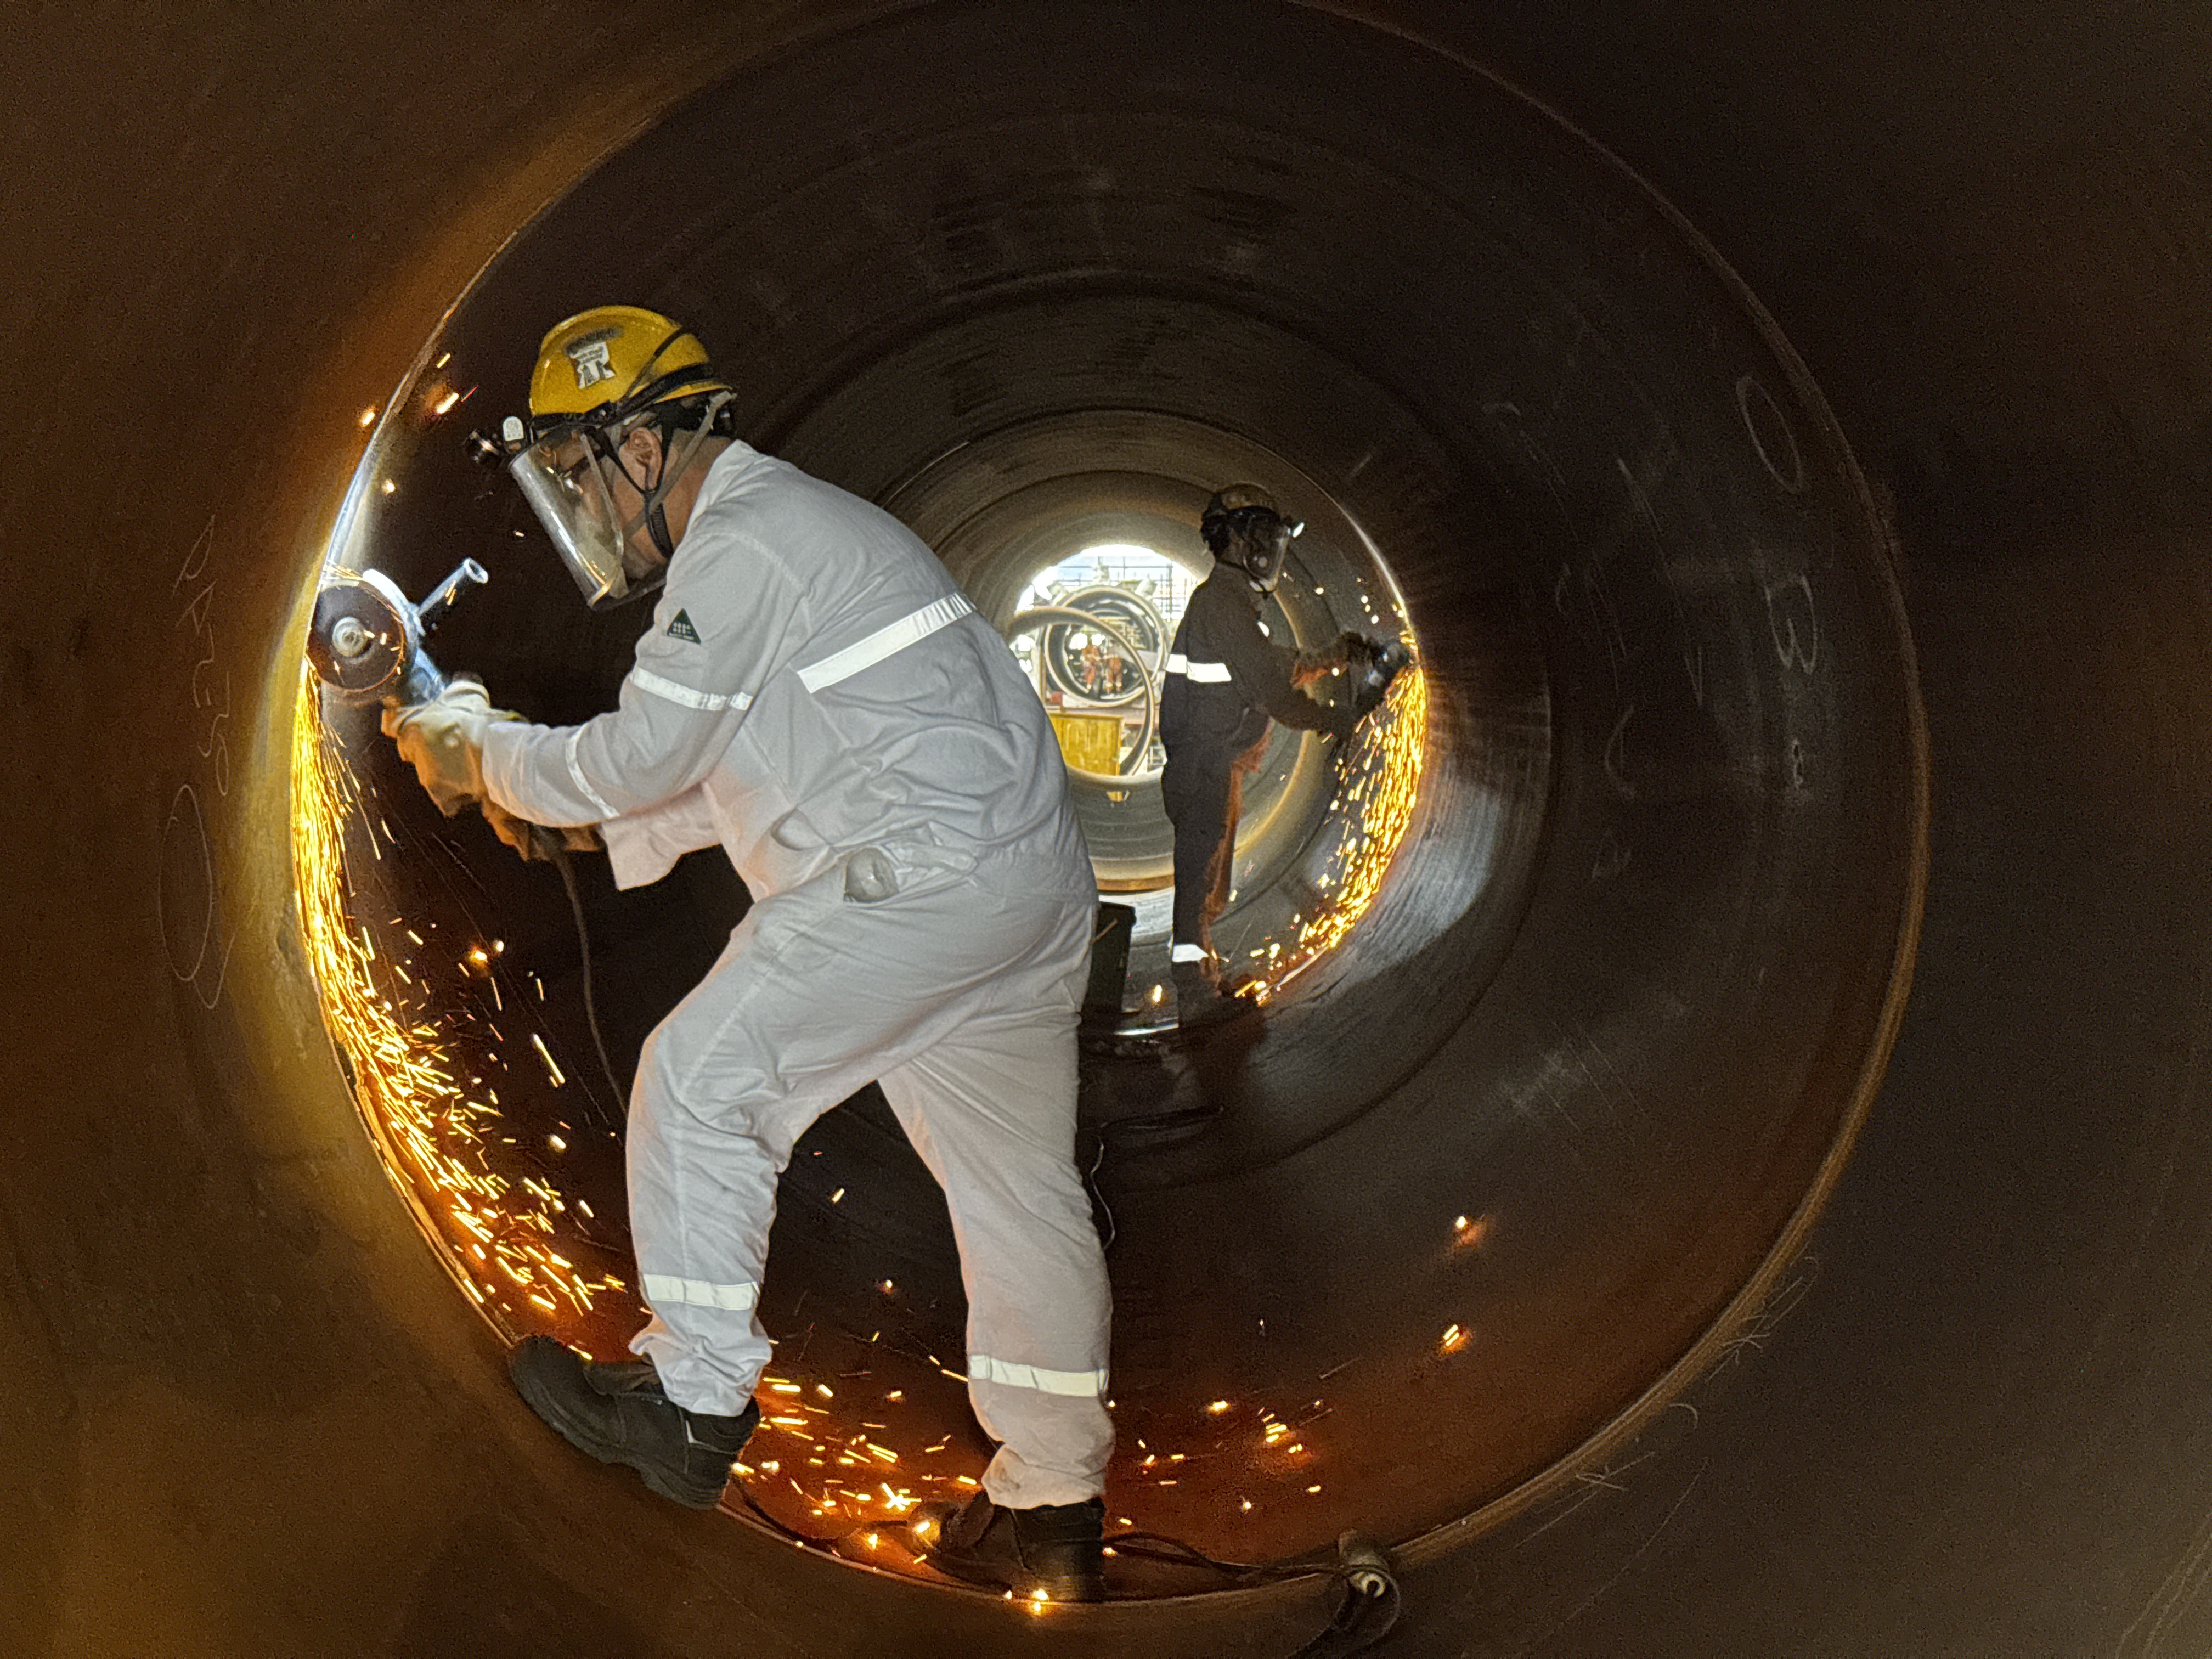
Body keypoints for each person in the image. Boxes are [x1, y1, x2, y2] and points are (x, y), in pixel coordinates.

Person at [382, 305, 1113, 1601]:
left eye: (579, 474)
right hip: (1017, 892)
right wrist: (570, 818)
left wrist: (482, 747)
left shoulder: (746, 542)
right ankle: (1051, 1501)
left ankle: (691, 1399)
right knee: (1017, 1194)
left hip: (923, 882)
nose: (583, 511)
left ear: (643, 446)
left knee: (705, 1079)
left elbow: (644, 754)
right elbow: (748, 764)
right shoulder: (801, 535)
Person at [1158, 485, 1373, 1026]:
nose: (1272, 549)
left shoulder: (1231, 605)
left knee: (1210, 884)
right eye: (1265, 536)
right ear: (1238, 541)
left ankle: (1204, 979)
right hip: (1205, 764)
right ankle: (1194, 994)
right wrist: (1338, 720)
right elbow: (1274, 692)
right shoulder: (1223, 604)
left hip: (1212, 762)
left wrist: (1335, 655)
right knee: (1200, 881)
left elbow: (1272, 664)